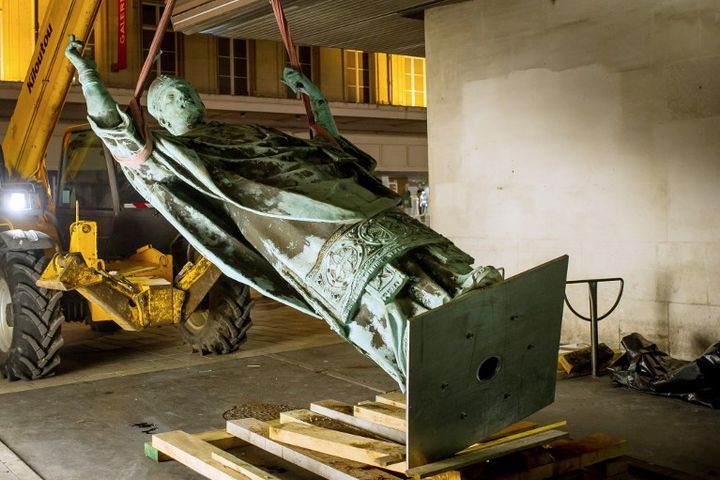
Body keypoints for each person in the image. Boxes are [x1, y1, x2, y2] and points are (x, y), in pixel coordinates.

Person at [65, 36, 502, 388]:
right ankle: (420, 357)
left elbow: (324, 152)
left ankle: (458, 292)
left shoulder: (249, 131)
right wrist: (89, 80)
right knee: (370, 283)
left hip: (341, 197)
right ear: (157, 115)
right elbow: (121, 137)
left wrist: (320, 105)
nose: (185, 99)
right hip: (290, 227)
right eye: (174, 98)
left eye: (188, 92)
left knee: (408, 247)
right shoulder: (176, 152)